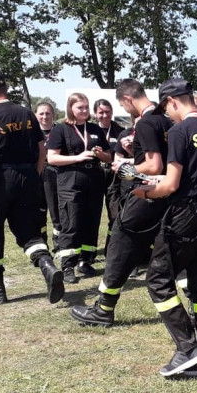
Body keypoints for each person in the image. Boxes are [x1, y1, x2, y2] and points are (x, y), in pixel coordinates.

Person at [129, 81, 197, 379]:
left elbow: (170, 184)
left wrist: (143, 193)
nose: (168, 117)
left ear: (172, 102)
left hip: (185, 215)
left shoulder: (181, 131)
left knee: (157, 280)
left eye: (167, 110)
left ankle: (187, 348)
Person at [70, 78, 172, 327]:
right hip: (167, 195)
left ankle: (103, 309)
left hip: (147, 193)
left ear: (127, 99)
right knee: (167, 254)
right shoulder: (167, 121)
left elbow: (153, 165)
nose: (126, 111)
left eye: (124, 106)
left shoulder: (147, 122)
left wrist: (125, 166)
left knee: (118, 245)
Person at [0, 70, 64, 305]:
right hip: (28, 177)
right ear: (6, 88)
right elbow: (42, 149)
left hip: (0, 179)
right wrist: (33, 175)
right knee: (28, 232)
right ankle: (46, 264)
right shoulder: (26, 113)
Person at [46, 92, 111, 283]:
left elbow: (109, 156)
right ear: (71, 108)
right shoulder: (61, 129)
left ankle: (86, 260)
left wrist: (100, 154)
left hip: (94, 176)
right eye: (79, 107)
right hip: (70, 177)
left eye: (86, 107)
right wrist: (77, 157)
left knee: (92, 220)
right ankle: (68, 265)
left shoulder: (94, 129)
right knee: (71, 220)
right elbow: (52, 158)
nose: (84, 110)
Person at [94, 98, 126, 256]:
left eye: (107, 111)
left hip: (113, 175)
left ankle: (111, 249)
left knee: (115, 212)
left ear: (112, 112)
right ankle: (88, 254)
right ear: (95, 113)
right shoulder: (90, 131)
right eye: (101, 112)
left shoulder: (120, 131)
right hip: (94, 173)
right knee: (92, 214)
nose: (104, 115)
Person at [34, 101, 61, 252]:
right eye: (41, 113)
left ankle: (58, 245)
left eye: (48, 113)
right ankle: (41, 244)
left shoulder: (60, 130)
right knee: (38, 211)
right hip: (37, 173)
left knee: (57, 211)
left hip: (55, 173)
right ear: (35, 115)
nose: (45, 116)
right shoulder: (31, 132)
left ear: (53, 114)